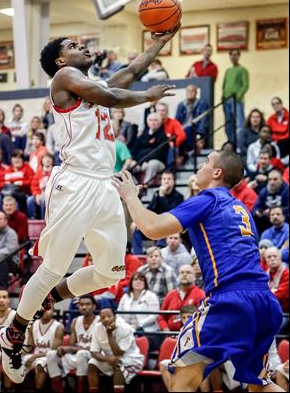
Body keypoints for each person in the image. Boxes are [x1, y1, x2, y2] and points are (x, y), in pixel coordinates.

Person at [0, 27, 180, 384]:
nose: (81, 45)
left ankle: (53, 296)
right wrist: (147, 97)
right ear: (61, 60)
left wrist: (160, 40)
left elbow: (133, 69)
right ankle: (14, 333)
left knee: (111, 272)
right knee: (53, 266)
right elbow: (112, 94)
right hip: (75, 181)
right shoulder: (65, 77)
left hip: (104, 183)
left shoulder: (90, 84)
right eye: (71, 45)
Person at [112, 150, 284, 392]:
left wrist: (130, 197)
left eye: (205, 162)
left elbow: (151, 228)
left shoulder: (209, 199)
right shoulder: (241, 209)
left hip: (231, 300)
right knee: (259, 386)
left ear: (217, 172)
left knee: (182, 379)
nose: (200, 166)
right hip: (264, 302)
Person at [46, 295, 99, 393]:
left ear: (94, 306)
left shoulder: (99, 321)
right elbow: (72, 345)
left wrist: (73, 349)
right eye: (81, 304)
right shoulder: (75, 321)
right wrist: (63, 349)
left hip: (94, 358)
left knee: (81, 354)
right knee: (51, 355)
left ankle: (80, 388)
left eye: (87, 304)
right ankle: (59, 388)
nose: (84, 307)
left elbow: (99, 349)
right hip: (79, 356)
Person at [88, 307, 144, 392]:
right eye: (103, 317)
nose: (106, 319)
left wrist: (109, 334)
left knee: (117, 364)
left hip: (130, 359)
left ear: (115, 316)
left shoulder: (126, 328)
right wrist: (107, 358)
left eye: (109, 316)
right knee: (92, 363)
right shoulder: (97, 327)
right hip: (109, 358)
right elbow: (93, 352)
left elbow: (118, 353)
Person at [131, 170, 183, 254]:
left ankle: (160, 254)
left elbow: (170, 213)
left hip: (169, 227)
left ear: (173, 182)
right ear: (161, 181)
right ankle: (138, 256)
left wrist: (162, 196)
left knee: (162, 230)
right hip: (155, 225)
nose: (166, 181)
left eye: (169, 179)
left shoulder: (179, 197)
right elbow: (149, 209)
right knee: (137, 230)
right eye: (164, 179)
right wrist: (138, 221)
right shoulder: (157, 193)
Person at [22, 306, 64, 391]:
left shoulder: (59, 327)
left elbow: (54, 352)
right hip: (35, 355)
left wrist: (34, 356)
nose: (45, 311)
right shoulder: (34, 325)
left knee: (40, 364)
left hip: (51, 358)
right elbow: (30, 347)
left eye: (48, 309)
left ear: (53, 312)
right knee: (15, 363)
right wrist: (19, 353)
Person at [157, 265, 205, 332]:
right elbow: (161, 317)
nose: (184, 274)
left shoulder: (200, 294)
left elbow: (201, 318)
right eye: (182, 272)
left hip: (191, 334)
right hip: (170, 335)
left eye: (188, 272)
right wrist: (166, 330)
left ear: (195, 277)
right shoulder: (171, 294)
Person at [117, 272, 160, 344]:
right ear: (131, 282)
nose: (138, 281)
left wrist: (139, 325)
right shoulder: (125, 297)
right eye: (136, 279)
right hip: (127, 329)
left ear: (145, 283)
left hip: (147, 331)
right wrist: (123, 325)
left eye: (141, 280)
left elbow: (154, 315)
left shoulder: (151, 296)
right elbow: (119, 314)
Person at [130, 113, 169, 184]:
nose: (153, 122)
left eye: (155, 120)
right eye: (151, 120)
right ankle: (134, 185)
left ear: (160, 122)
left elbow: (158, 153)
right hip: (141, 162)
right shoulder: (143, 135)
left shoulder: (163, 136)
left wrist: (146, 160)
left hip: (158, 163)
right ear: (147, 122)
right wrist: (137, 161)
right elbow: (135, 150)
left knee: (152, 164)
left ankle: (145, 186)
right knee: (130, 165)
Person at [222, 49, 249, 144]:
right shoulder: (228, 70)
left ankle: (239, 143)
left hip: (237, 100)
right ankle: (231, 143)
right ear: (229, 57)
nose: (234, 57)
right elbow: (224, 85)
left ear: (239, 56)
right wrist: (223, 97)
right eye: (232, 55)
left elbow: (245, 85)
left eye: (236, 55)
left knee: (239, 122)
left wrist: (238, 96)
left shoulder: (243, 70)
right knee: (228, 124)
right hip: (226, 100)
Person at [0, 289, 16, 393]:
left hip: (15, 350)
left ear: (9, 300)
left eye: (4, 297)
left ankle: (2, 389)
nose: (1, 300)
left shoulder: (15, 316)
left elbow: (16, 343)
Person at [253, 169, 289, 233]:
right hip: (267, 223)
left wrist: (272, 211)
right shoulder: (263, 191)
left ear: (281, 180)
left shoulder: (287, 191)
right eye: (270, 179)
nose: (272, 182)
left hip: (285, 221)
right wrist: (258, 212)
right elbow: (255, 208)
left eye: (275, 179)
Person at [0, 211, 20, 288]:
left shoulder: (11, 233)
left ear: (5, 221)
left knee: (2, 257)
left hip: (11, 262)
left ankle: (2, 288)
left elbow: (9, 251)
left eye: (0, 219)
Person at [175, 84, 209, 149]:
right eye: (188, 91)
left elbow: (204, 121)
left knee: (188, 130)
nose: (190, 93)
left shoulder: (202, 104)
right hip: (182, 131)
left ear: (196, 93)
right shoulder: (181, 105)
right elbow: (176, 121)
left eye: (192, 91)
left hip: (194, 130)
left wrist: (199, 135)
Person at [27, 153, 54, 219]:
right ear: (42, 161)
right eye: (45, 158)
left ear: (52, 160)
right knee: (29, 200)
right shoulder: (39, 172)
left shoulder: (55, 172)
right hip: (40, 193)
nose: (47, 160)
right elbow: (34, 186)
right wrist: (36, 195)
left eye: (49, 158)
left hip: (52, 195)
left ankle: (43, 219)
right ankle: (33, 218)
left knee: (43, 199)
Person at [265, 246, 289, 313]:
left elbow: (279, 296)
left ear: (280, 258)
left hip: (284, 313)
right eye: (269, 257)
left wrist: (267, 293)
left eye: (275, 256)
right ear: (266, 260)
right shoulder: (265, 274)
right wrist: (272, 292)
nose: (272, 259)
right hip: (269, 309)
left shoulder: (287, 273)